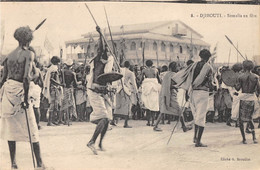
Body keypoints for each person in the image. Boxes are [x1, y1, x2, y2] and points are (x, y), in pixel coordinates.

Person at [0, 26, 44, 169]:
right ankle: (40, 164)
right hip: (20, 92)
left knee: (10, 130)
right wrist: (25, 99)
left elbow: (3, 79)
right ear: (29, 39)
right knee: (32, 129)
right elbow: (25, 78)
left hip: (8, 93)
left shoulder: (9, 55)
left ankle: (13, 163)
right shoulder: (28, 54)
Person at [86, 26, 114, 155]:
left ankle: (100, 143)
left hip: (102, 93)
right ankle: (92, 141)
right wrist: (101, 34)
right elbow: (101, 47)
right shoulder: (98, 60)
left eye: (108, 51)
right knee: (103, 118)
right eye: (106, 50)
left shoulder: (107, 64)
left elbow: (107, 79)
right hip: (94, 91)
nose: (107, 52)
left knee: (107, 120)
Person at [153, 62, 192, 132]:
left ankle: (155, 126)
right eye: (177, 66)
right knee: (179, 110)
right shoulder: (173, 75)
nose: (178, 68)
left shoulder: (166, 74)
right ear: (174, 67)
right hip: (171, 95)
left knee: (163, 110)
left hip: (165, 94)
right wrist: (178, 86)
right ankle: (184, 127)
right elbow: (171, 86)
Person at [234, 60, 260, 144]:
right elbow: (259, 89)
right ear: (252, 67)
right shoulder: (256, 77)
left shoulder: (240, 77)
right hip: (252, 98)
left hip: (243, 98)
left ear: (243, 67)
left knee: (241, 120)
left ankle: (244, 139)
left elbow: (237, 89)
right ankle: (254, 138)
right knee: (250, 118)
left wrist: (234, 83)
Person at [114, 61, 138, 128]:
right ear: (129, 66)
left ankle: (113, 120)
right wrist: (136, 91)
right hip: (125, 90)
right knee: (127, 106)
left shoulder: (120, 70)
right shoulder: (130, 73)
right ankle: (125, 123)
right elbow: (134, 83)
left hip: (119, 89)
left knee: (118, 105)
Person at [43, 56, 63, 126]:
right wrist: (59, 84)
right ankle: (50, 121)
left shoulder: (52, 68)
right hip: (53, 88)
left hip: (54, 88)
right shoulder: (54, 68)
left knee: (55, 105)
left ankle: (53, 120)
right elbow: (51, 79)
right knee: (53, 104)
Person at [141, 60, 161, 126]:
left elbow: (141, 79)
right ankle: (153, 122)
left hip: (147, 88)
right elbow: (159, 79)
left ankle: (148, 122)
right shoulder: (156, 70)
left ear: (146, 64)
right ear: (152, 64)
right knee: (154, 105)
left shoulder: (144, 70)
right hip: (154, 88)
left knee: (148, 105)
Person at [60, 59, 80, 125]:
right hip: (69, 89)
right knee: (69, 104)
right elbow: (76, 84)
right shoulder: (72, 73)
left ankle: (62, 119)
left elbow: (60, 81)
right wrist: (80, 82)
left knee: (64, 104)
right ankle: (66, 120)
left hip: (64, 89)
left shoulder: (62, 72)